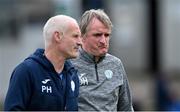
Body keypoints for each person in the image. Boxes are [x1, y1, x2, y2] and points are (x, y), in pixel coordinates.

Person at [4, 15, 82, 111]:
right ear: (57, 36)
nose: (80, 42)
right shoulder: (26, 71)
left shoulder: (72, 75)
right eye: (75, 36)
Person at [71, 9, 134, 111]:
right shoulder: (69, 64)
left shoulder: (115, 64)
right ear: (82, 37)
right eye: (97, 35)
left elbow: (126, 108)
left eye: (107, 35)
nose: (103, 41)